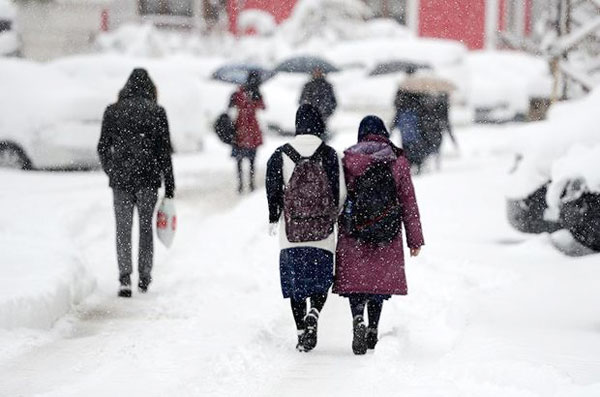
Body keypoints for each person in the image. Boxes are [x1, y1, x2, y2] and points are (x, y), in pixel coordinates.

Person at [334, 115, 424, 355]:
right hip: (387, 230)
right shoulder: (397, 160)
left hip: (355, 231)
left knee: (357, 283)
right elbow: (408, 202)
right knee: (377, 281)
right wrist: (414, 239)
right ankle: (373, 327)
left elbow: (339, 198)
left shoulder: (349, 159)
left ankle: (357, 319)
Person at [266, 104, 346, 352]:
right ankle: (314, 312)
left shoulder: (281, 154)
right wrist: (333, 215)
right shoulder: (330, 154)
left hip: (292, 233)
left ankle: (301, 330)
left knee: (296, 284)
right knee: (321, 280)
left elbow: (272, 191)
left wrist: (274, 216)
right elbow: (340, 193)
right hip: (322, 232)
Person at [97, 68, 175, 298]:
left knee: (123, 228)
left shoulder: (113, 111)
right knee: (145, 227)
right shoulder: (157, 112)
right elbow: (164, 152)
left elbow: (102, 147)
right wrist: (169, 182)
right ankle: (144, 276)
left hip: (120, 180)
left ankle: (124, 278)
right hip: (148, 179)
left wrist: (111, 170)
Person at [229, 70, 265, 193]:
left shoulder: (238, 93)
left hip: (240, 130)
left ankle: (241, 184)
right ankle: (251, 183)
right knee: (252, 159)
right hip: (251, 130)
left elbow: (230, 108)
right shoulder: (256, 93)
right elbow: (263, 107)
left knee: (239, 160)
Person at [393, 90, 428, 173]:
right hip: (415, 134)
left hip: (405, 134)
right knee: (416, 151)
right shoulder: (417, 107)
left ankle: (410, 166)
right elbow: (421, 123)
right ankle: (417, 165)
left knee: (407, 151)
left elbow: (396, 122)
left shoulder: (402, 107)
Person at [299, 67, 337, 141]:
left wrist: (327, 112)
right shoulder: (308, 85)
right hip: (309, 118)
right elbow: (301, 100)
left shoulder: (327, 86)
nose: (317, 73)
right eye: (315, 71)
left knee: (322, 137)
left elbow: (333, 102)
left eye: (319, 71)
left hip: (323, 117)